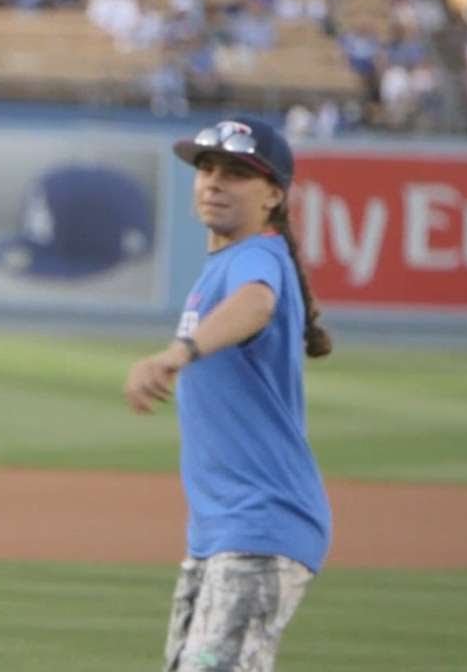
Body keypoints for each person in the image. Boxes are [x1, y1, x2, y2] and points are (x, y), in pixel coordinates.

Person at [122, 116, 333, 672]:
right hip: (221, 529)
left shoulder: (256, 258)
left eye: (236, 172)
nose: (214, 181)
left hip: (261, 524)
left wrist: (177, 353)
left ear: (272, 196)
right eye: (207, 168)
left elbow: (255, 304)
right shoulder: (225, 262)